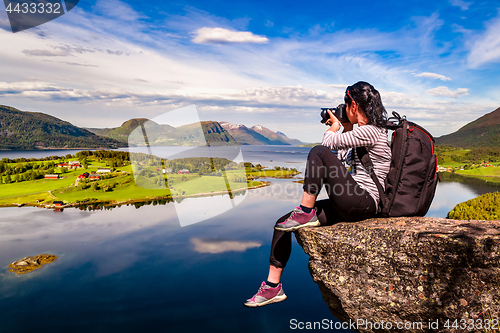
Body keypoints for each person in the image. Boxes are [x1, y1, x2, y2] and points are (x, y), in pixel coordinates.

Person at [243, 81, 392, 307]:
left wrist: (334, 127)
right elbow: (337, 161)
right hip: (353, 199)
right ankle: (273, 287)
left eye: (345, 104)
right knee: (283, 223)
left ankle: (305, 210)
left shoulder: (373, 131)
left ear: (353, 104)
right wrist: (345, 127)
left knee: (317, 151)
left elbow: (327, 145)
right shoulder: (361, 134)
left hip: (366, 202)